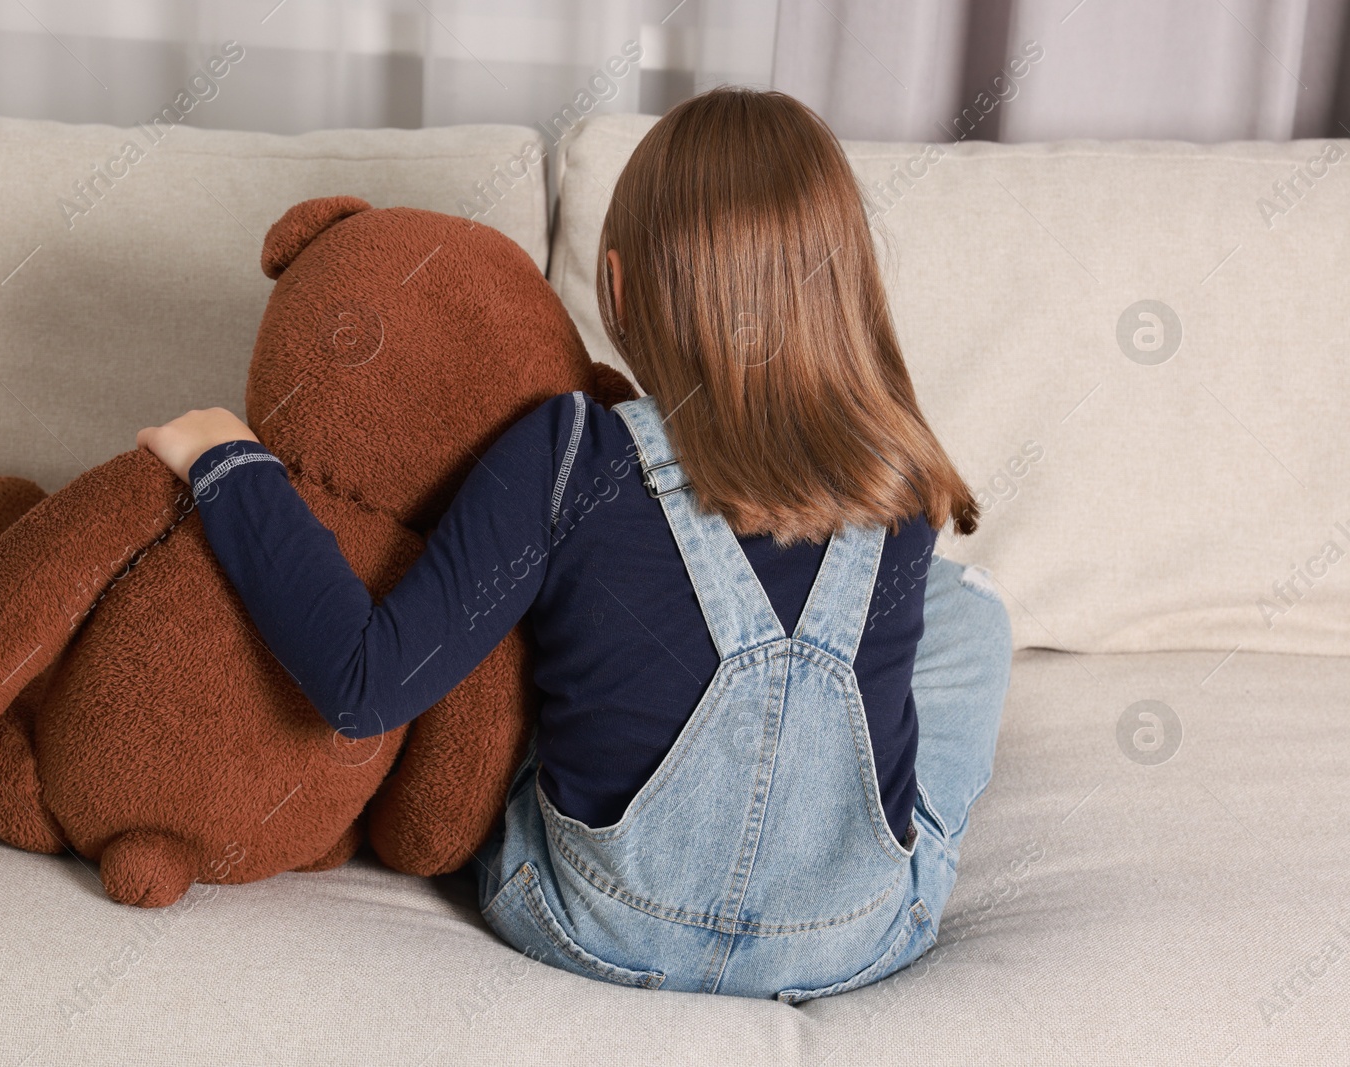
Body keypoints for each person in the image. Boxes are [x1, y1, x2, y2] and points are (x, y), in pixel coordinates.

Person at [135, 85, 1011, 1003]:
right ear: (844, 290)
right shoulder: (903, 482)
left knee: (542, 622)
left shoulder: (569, 453)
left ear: (619, 285)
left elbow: (364, 685)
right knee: (972, 611)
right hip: (848, 941)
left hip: (591, 924)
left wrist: (230, 465)